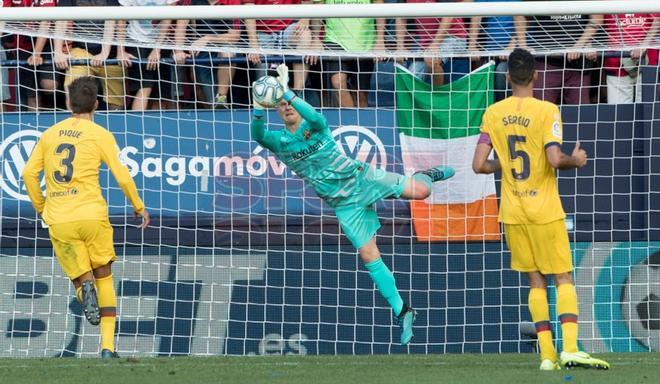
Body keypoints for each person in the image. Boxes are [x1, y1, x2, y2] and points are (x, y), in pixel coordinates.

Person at [251, 64, 454, 345]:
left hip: (362, 179)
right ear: (276, 110)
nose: (286, 107)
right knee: (369, 255)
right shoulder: (280, 141)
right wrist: (258, 107)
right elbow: (257, 134)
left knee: (420, 191)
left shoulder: (316, 126)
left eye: (290, 103)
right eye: (281, 104)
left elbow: (317, 115)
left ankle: (427, 175)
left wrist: (286, 91)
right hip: (344, 205)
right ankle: (403, 310)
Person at [472, 48, 609, 370]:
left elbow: (478, 165)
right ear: (535, 75)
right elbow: (553, 159)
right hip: (544, 209)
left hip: (513, 211)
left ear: (507, 77)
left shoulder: (493, 112)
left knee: (535, 282)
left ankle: (547, 356)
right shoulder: (547, 110)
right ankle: (571, 348)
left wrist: (503, 163)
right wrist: (575, 161)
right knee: (563, 277)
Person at [22, 76, 150, 358]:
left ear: (68, 103)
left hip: (60, 218)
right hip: (92, 215)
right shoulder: (100, 134)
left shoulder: (50, 133)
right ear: (96, 104)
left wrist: (42, 206)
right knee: (105, 276)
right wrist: (138, 205)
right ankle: (107, 347)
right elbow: (122, 176)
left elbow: (29, 174)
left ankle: (84, 292)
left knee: (81, 279)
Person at [522, 1, 602, 105]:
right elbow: (520, 14)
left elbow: (597, 18)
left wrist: (578, 46)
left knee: (581, 113)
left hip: (579, 63)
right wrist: (523, 45)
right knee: (541, 110)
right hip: (546, 61)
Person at [54, 0, 126, 110]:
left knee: (116, 105)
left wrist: (104, 53)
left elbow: (111, 20)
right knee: (73, 94)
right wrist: (58, 52)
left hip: (110, 55)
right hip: (81, 51)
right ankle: (75, 125)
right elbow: (61, 18)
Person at [116, 0, 177, 111]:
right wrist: (120, 50)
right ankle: (136, 126)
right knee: (145, 87)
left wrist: (157, 49)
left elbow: (168, 17)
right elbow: (121, 17)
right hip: (136, 41)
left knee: (160, 95)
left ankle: (156, 127)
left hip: (161, 43)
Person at [323, 0, 385, 107]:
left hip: (364, 40)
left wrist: (380, 40)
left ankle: (359, 123)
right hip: (334, 39)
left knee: (361, 95)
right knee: (338, 84)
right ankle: (351, 122)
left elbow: (379, 4)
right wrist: (315, 37)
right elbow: (317, 5)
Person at [395, 0, 470, 87]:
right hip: (426, 43)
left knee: (432, 59)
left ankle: (437, 98)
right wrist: (400, 46)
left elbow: (449, 14)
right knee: (412, 77)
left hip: (453, 37)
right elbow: (400, 16)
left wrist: (435, 44)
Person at [603, 12, 659, 104]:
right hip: (616, 62)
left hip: (647, 62)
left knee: (648, 110)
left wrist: (643, 45)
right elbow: (596, 21)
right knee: (619, 113)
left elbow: (657, 20)